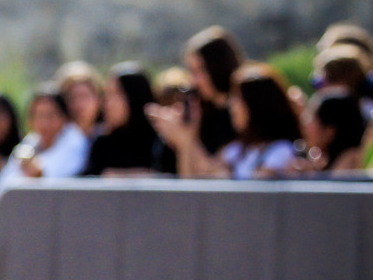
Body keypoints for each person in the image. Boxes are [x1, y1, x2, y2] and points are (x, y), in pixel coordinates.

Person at [151, 61, 300, 179]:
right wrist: (187, 137)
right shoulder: (235, 150)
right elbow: (195, 180)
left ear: (257, 105)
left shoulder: (282, 152)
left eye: (239, 99)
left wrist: (187, 140)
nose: (233, 107)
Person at [0, 88, 91, 204]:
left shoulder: (75, 140)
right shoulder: (30, 143)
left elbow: (50, 177)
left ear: (64, 117)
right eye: (38, 116)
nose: (44, 123)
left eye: (50, 116)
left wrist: (36, 172)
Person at [84, 64, 173, 176]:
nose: (107, 103)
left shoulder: (162, 141)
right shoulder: (102, 143)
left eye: (115, 94)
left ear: (134, 96)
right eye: (106, 94)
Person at [183, 26, 244, 155]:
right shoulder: (200, 112)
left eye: (200, 70)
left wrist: (183, 140)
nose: (194, 81)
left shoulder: (245, 110)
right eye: (191, 71)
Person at [299, 90, 369, 173]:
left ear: (330, 131)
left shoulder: (345, 173)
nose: (305, 126)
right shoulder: (327, 166)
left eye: (311, 119)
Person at [53, 61, 105, 139]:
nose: (79, 104)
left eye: (85, 96)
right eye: (72, 98)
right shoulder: (53, 139)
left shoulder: (109, 136)